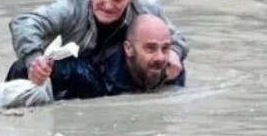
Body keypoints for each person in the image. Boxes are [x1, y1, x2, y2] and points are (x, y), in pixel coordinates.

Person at [6, 0, 189, 85]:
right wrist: (35, 60)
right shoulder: (72, 6)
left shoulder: (147, 7)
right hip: (74, 68)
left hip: (112, 71)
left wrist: (174, 53)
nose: (108, 6)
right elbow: (24, 23)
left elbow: (176, 38)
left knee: (174, 69)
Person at [11, 14, 186, 101]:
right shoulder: (84, 76)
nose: (160, 57)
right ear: (129, 49)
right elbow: (19, 69)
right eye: (150, 48)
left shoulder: (172, 71)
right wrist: (37, 67)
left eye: (165, 48)